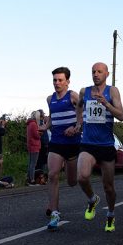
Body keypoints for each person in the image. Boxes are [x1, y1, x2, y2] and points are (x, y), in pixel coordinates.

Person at [75, 62, 123, 232]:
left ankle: (110, 214)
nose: (96, 74)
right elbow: (79, 105)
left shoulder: (112, 91)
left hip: (106, 145)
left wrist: (107, 104)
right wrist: (79, 122)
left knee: (108, 187)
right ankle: (92, 199)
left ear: (107, 74)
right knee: (82, 177)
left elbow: (121, 116)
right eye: (93, 71)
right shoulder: (85, 91)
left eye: (99, 71)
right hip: (88, 143)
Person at [45, 67, 81, 230]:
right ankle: (55, 213)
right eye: (55, 80)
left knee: (72, 182)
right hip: (56, 141)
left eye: (60, 80)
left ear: (67, 81)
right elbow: (52, 118)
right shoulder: (50, 99)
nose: (57, 83)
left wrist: (75, 127)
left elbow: (83, 115)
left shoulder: (73, 96)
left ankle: (70, 167)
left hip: (72, 143)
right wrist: (45, 126)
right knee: (52, 175)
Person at [26, 110, 42, 185]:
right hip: (35, 145)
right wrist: (40, 134)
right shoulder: (34, 124)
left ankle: (28, 178)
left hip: (30, 145)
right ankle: (32, 180)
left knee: (30, 163)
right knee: (33, 164)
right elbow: (36, 135)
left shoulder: (29, 124)